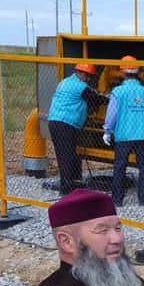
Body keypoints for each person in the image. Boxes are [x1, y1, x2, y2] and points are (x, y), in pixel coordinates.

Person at [102, 57, 144, 205]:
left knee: (120, 166)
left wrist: (108, 130)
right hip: (143, 135)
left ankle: (117, 200)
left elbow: (112, 113)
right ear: (138, 72)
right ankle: (143, 199)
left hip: (124, 135)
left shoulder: (118, 92)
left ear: (122, 72)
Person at [47, 63, 105, 194]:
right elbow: (97, 98)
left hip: (54, 122)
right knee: (67, 156)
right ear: (83, 73)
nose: (89, 79)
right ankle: (66, 189)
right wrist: (111, 98)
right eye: (88, 76)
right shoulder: (80, 87)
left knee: (65, 154)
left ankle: (71, 183)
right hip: (65, 124)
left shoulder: (65, 82)